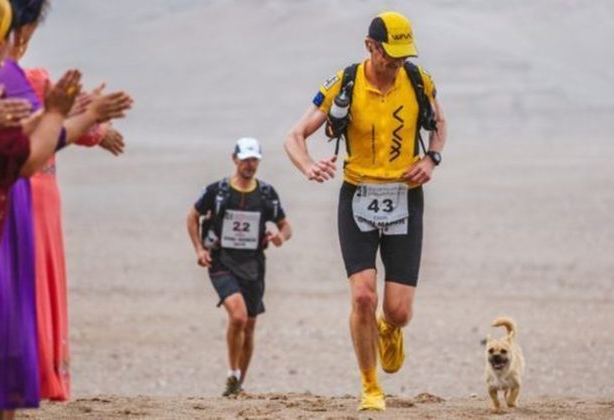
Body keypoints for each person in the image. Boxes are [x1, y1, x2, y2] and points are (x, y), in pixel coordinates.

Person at [284, 11, 447, 411]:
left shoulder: (417, 80)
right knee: (362, 297)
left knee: (399, 310)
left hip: (405, 198)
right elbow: (294, 135)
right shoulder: (346, 82)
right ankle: (370, 386)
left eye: (403, 56)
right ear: (370, 46)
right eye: (389, 55)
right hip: (357, 196)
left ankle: (391, 329)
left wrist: (431, 159)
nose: (397, 64)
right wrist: (308, 165)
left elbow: (440, 122)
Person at [4, 0, 132, 402]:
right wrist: (93, 123)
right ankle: (38, 372)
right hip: (30, 188)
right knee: (27, 277)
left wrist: (88, 118)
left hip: (27, 182)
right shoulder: (29, 78)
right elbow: (53, 124)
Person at [0, 2, 82, 418]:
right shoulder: (13, 76)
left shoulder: (11, 78)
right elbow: (28, 156)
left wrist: (75, 118)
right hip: (14, 203)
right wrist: (64, 117)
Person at [187, 137, 292, 397]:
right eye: (245, 158)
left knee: (250, 326)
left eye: (254, 159)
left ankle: (237, 386)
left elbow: (285, 226)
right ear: (234, 159)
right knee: (238, 316)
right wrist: (199, 249)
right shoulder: (217, 191)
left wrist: (280, 237)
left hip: (254, 265)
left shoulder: (267, 194)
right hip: (222, 261)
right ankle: (232, 373)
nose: (249, 164)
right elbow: (192, 216)